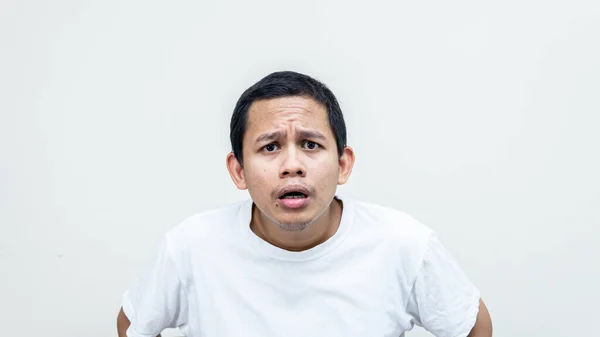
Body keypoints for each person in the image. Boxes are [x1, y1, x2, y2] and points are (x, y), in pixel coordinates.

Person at [116, 71, 493, 337]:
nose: (292, 165)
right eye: (270, 147)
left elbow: (472, 326)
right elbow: (132, 324)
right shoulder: (189, 247)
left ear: (343, 164)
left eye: (311, 144)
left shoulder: (405, 244)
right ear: (238, 169)